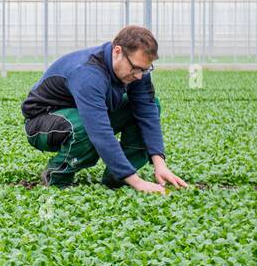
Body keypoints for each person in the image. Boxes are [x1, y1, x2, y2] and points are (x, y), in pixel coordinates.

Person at [21, 25, 189, 194]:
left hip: (80, 114)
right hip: (43, 122)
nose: (139, 75)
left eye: (145, 70)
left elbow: (147, 111)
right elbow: (99, 131)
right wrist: (138, 183)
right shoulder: (88, 73)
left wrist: (160, 164)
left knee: (149, 106)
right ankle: (57, 176)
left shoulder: (137, 71)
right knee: (83, 127)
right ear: (117, 51)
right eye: (136, 68)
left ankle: (117, 178)